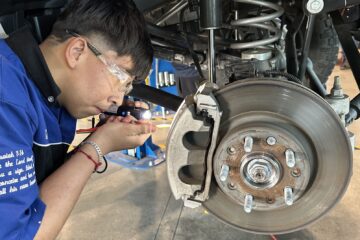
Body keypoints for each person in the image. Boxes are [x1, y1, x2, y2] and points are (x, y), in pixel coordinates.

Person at [0, 0, 155, 239]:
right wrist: (97, 147)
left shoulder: (50, 97)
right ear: (77, 51)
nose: (118, 99)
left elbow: (36, 194)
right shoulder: (6, 95)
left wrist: (97, 140)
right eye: (120, 79)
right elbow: (21, 234)